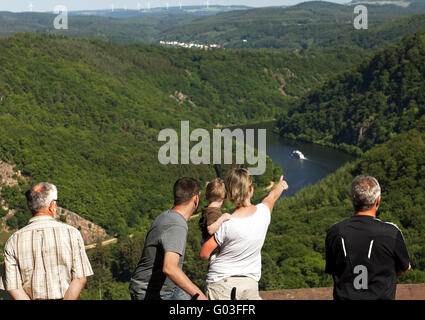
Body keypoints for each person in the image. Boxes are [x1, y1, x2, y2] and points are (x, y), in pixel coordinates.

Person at [200, 168, 288, 300]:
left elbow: (204, 254)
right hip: (250, 285)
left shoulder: (225, 224)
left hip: (221, 285)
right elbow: (272, 197)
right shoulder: (263, 213)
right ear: (251, 190)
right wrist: (280, 186)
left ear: (228, 195)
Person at [0, 182, 93, 300]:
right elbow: (80, 278)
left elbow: (13, 286)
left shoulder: (13, 241)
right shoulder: (72, 234)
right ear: (52, 205)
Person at [325, 175, 411, 300]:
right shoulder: (391, 232)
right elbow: (405, 267)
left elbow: (333, 269)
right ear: (378, 200)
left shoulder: (335, 231)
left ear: (352, 199)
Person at [129, 177, 207, 300]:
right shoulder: (176, 224)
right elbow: (169, 268)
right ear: (196, 199)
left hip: (164, 288)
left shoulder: (166, 216)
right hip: (151, 292)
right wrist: (200, 296)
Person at [198, 178, 231, 261]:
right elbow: (210, 229)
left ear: (206, 197)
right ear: (224, 200)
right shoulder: (213, 212)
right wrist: (222, 218)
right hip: (214, 253)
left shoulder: (207, 210)